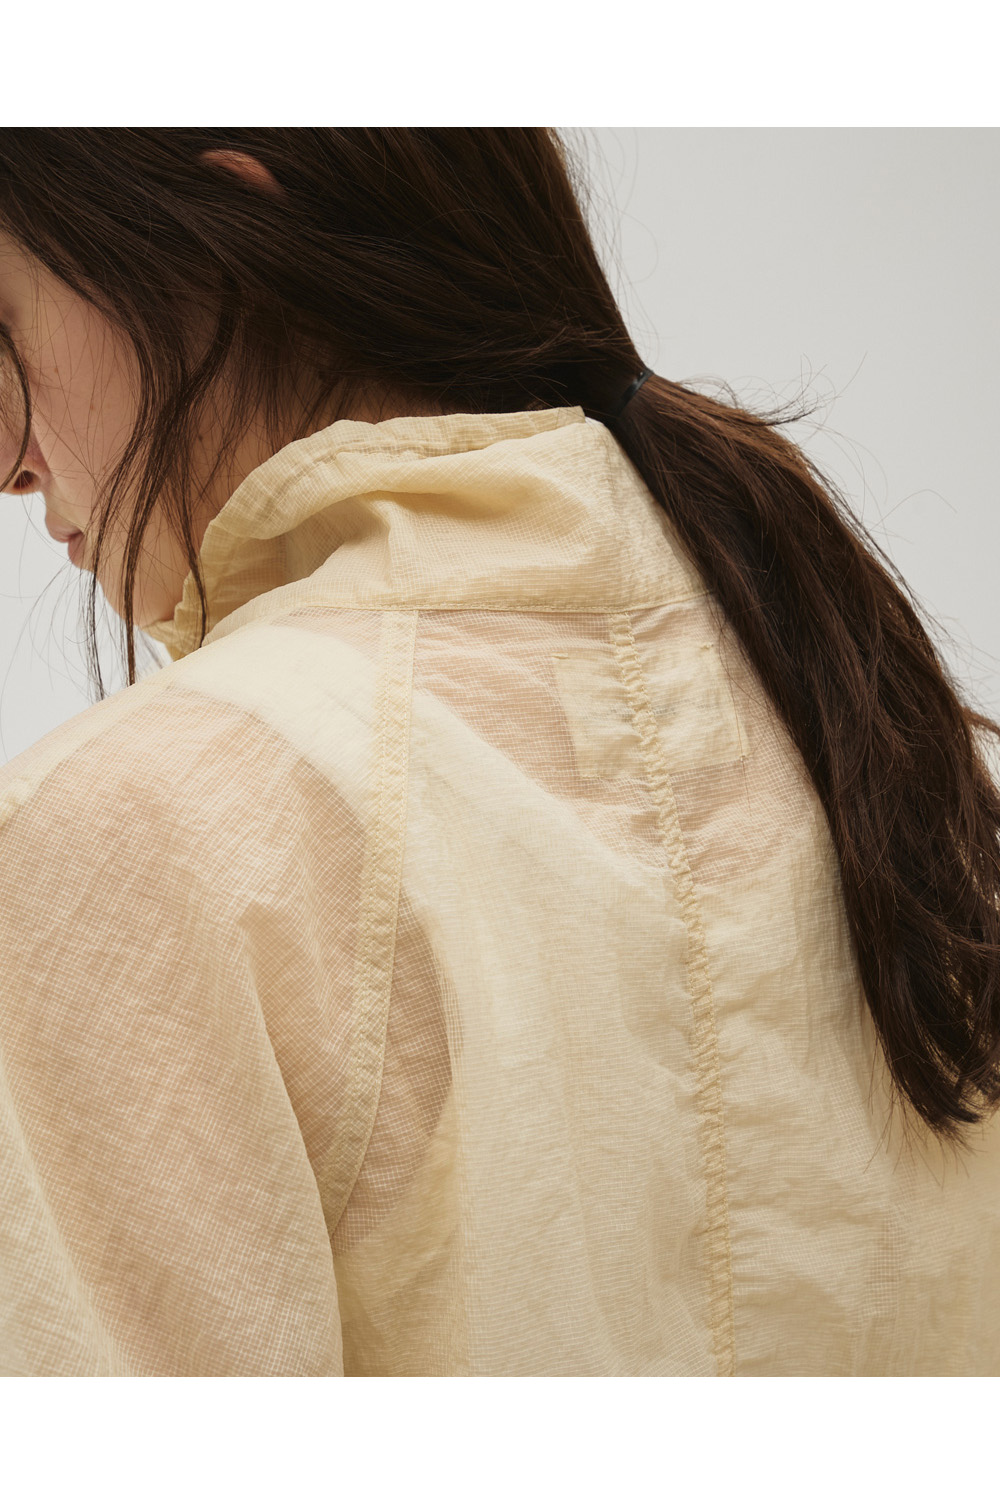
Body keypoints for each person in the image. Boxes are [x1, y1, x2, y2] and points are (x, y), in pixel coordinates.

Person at [0, 129, 998, 1378]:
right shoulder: (912, 775)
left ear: (221, 258)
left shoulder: (134, 839)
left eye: (2, 331)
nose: (9, 464)